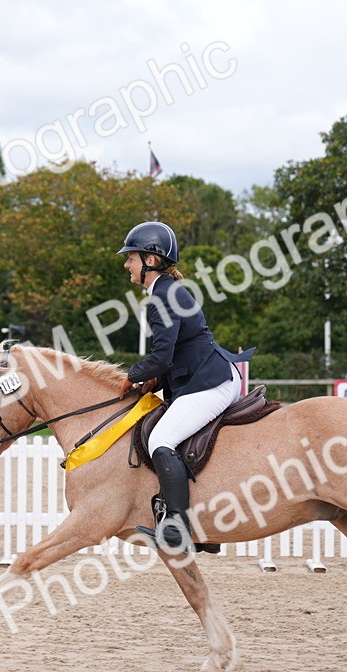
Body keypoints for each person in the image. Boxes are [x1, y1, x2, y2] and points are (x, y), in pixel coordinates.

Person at [115, 221, 255, 552]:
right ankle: (206, 530)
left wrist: (132, 375)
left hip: (210, 383)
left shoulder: (163, 297)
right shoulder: (165, 293)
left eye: (131, 258)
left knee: (161, 440)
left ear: (150, 260)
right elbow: (173, 356)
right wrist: (153, 380)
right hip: (203, 378)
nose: (126, 265)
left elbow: (161, 357)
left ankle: (176, 528)